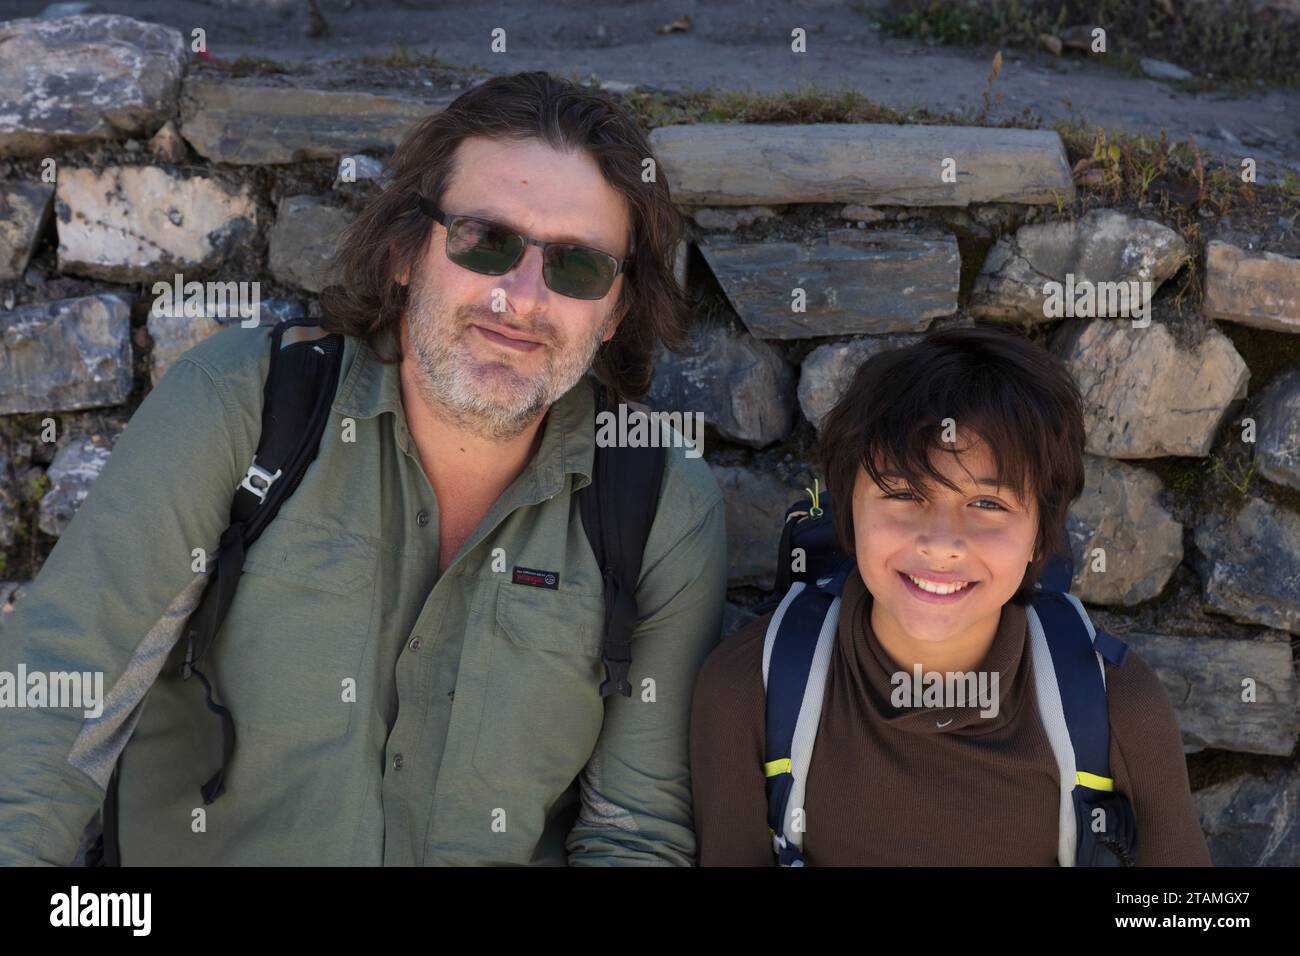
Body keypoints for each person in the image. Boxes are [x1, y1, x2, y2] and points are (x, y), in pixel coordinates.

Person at [0, 71, 726, 865]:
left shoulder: (659, 506)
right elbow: (58, 698)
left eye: (578, 267)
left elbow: (635, 831)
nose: (521, 298)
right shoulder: (246, 407)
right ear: (408, 251)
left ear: (616, 310)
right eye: (487, 241)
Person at [689, 324, 1211, 865]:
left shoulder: (1114, 704)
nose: (941, 545)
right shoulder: (751, 690)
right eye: (902, 494)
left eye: (988, 504)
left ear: (1039, 538)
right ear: (849, 511)